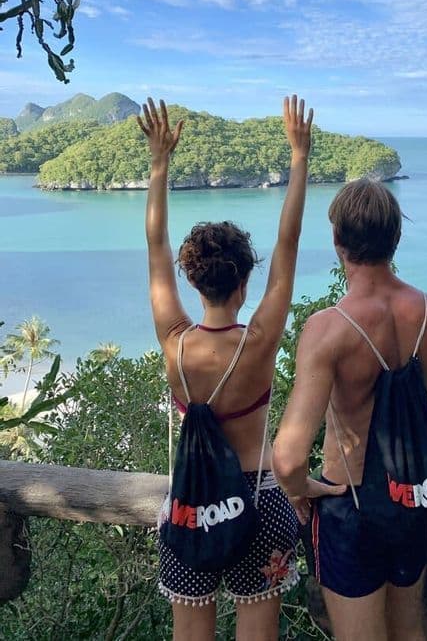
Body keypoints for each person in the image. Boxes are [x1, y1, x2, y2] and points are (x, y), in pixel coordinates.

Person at [138, 95, 324, 641]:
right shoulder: (259, 342)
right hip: (260, 499)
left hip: (192, 506)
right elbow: (287, 247)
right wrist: (299, 157)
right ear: (245, 282)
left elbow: (155, 246)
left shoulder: (174, 342)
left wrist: (159, 164)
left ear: (193, 282)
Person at [272, 178, 427, 641]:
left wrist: (300, 489)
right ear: (396, 239)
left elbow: (287, 459)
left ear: (337, 241)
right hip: (411, 499)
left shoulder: (328, 330)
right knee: (408, 631)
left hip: (348, 505)